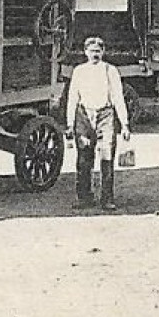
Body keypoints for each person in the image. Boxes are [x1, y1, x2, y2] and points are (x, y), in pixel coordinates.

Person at [65, 36, 131, 210]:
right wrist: (70, 124)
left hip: (105, 116)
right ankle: (84, 197)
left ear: (103, 52)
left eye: (98, 51)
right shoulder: (79, 71)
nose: (94, 54)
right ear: (85, 52)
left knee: (106, 157)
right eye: (91, 51)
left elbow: (118, 97)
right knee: (84, 159)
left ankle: (107, 198)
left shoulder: (111, 71)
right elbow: (72, 98)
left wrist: (124, 124)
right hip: (84, 116)